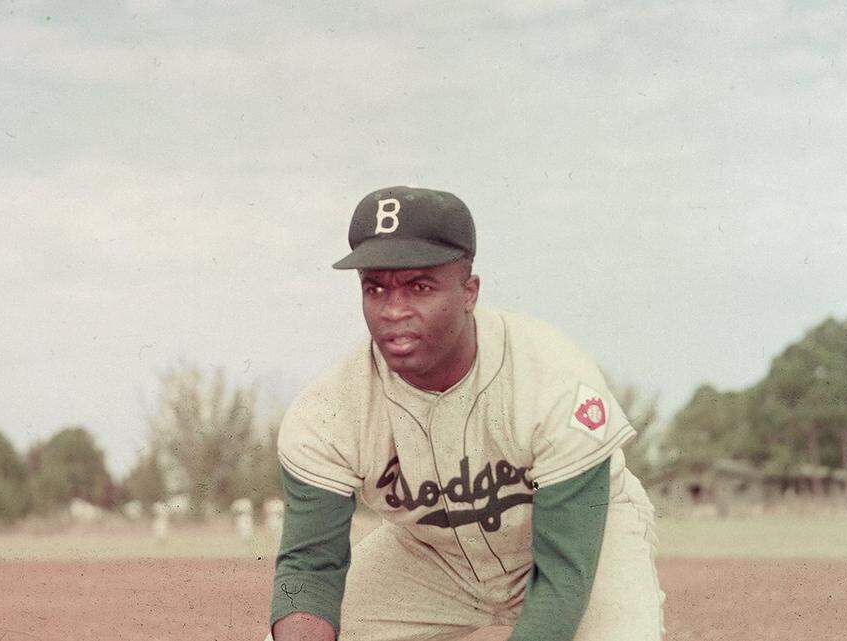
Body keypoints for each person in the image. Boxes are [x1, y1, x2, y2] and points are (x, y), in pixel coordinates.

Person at [266, 186, 664, 641]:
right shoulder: (327, 414)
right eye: (375, 288)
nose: (394, 310)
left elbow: (563, 578)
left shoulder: (553, 378)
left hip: (580, 546)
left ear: (469, 291)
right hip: (432, 556)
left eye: (419, 286)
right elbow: (310, 570)